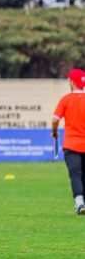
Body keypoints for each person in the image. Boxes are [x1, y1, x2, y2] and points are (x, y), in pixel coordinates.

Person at [52, 68, 85, 215]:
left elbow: (55, 120)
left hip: (71, 145)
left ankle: (79, 203)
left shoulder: (66, 99)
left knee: (75, 175)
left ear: (72, 82)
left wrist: (54, 132)